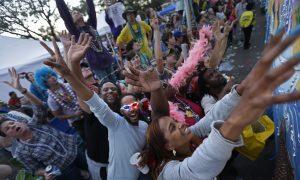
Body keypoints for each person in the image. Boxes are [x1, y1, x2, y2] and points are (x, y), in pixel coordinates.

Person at [124, 26, 300, 179]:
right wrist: (239, 118)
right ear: (168, 146)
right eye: (173, 128)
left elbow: (207, 120)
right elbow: (199, 165)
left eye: (175, 122)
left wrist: (243, 87)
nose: (181, 125)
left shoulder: (183, 131)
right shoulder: (169, 173)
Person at [41, 34, 163, 180]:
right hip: (101, 165)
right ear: (100, 95)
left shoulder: (135, 121)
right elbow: (86, 96)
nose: (110, 91)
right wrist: (71, 66)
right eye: (105, 90)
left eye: (113, 89)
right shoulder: (112, 119)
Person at [0, 68, 88, 180]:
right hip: (65, 169)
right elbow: (35, 169)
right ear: (10, 136)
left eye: (12, 123)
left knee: (99, 171)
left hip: (76, 150)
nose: (12, 126)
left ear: (18, 122)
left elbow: (40, 106)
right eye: (8, 129)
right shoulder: (21, 151)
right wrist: (44, 173)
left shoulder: (35, 123)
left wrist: (22, 90)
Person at [55, 0, 116, 84]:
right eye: (73, 13)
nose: (76, 12)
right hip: (96, 63)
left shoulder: (91, 24)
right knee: (106, 84)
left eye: (77, 11)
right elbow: (65, 15)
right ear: (72, 20)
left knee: (114, 82)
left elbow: (91, 9)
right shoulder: (75, 31)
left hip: (106, 58)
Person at [34, 67, 84, 138]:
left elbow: (81, 94)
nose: (52, 77)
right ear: (44, 82)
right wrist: (75, 115)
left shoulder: (68, 85)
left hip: (86, 112)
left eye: (52, 75)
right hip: (77, 122)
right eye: (48, 77)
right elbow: (59, 116)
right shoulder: (51, 100)